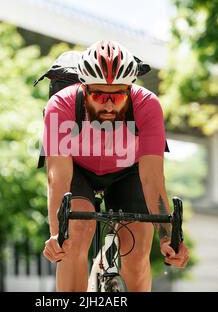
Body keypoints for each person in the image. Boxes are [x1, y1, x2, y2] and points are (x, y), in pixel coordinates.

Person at [41, 40, 190, 292]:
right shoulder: (61, 105)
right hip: (79, 171)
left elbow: (153, 179)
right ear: (84, 88)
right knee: (75, 233)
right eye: (98, 95)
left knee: (139, 249)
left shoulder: (148, 105)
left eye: (119, 95)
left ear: (130, 90)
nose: (109, 105)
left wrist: (168, 237)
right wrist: (59, 235)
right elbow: (58, 179)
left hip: (128, 172)